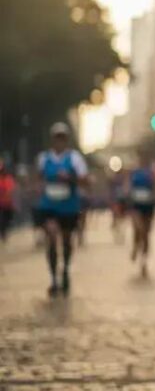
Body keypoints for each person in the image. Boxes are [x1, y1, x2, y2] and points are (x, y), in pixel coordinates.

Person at [36, 122, 89, 296]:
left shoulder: (75, 159)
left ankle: (65, 269)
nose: (60, 142)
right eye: (57, 138)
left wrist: (70, 178)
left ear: (66, 140)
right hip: (49, 206)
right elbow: (38, 180)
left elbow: (84, 180)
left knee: (66, 240)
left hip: (68, 206)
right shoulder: (44, 159)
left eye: (63, 139)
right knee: (51, 238)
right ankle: (53, 278)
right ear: (52, 140)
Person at [128, 150, 155, 278]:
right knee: (139, 229)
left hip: (148, 205)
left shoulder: (152, 171)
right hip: (136, 205)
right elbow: (128, 186)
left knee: (146, 234)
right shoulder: (134, 172)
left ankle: (144, 261)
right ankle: (135, 246)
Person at [0, 158, 15, 243]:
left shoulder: (8, 178)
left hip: (7, 204)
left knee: (6, 220)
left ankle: (4, 233)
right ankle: (3, 234)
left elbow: (10, 191)